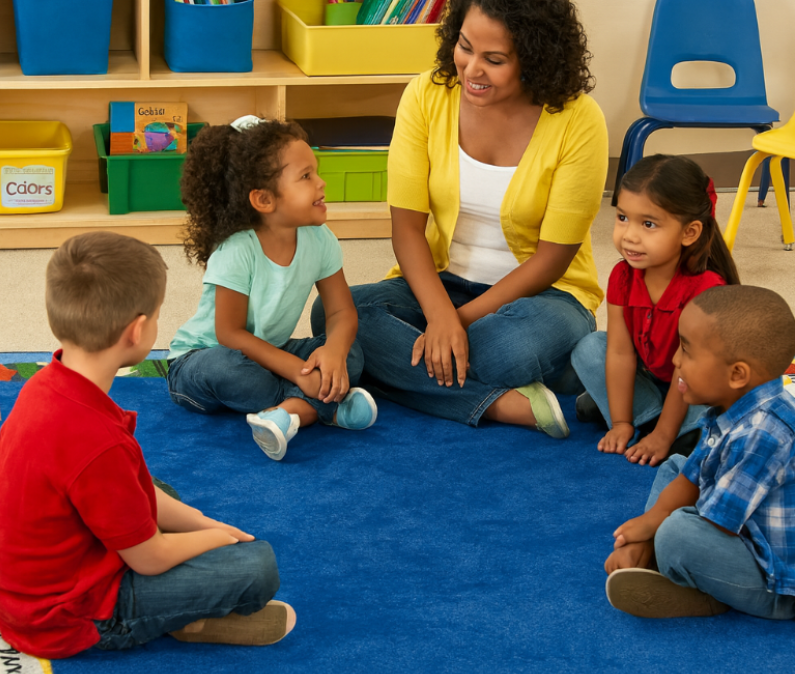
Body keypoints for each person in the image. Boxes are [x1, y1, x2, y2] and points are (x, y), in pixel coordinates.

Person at [312, 0, 608, 436]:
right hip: (440, 283)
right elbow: (407, 229)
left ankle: (415, 371)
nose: (472, 70)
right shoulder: (427, 95)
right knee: (333, 315)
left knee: (499, 350)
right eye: (465, 47)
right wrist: (439, 315)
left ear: (536, 57)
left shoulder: (579, 120)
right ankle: (499, 403)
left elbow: (552, 259)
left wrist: (458, 322)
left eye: (494, 60)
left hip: (547, 297)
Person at [0, 232, 295, 659]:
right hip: (66, 618)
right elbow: (150, 559)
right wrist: (216, 537)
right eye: (156, 316)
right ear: (137, 332)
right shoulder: (98, 444)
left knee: (157, 494)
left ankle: (180, 600)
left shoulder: (44, 384)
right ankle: (181, 617)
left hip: (23, 591)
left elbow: (128, 489)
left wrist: (197, 519)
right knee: (256, 566)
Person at [167, 116, 377, 461]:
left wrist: (335, 352)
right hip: (202, 359)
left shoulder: (320, 239)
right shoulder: (237, 249)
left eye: (316, 172)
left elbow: (341, 311)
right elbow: (229, 333)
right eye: (306, 177)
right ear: (264, 200)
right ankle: (325, 406)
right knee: (235, 374)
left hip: (270, 350)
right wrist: (298, 371)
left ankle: (289, 415)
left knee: (351, 353)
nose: (321, 183)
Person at [604, 285, 795, 620]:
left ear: (737, 374)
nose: (676, 360)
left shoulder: (766, 432)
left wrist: (656, 527)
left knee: (677, 534)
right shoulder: (731, 408)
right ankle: (655, 555)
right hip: (746, 535)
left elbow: (716, 522)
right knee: (673, 468)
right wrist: (649, 526)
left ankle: (706, 594)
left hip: (776, 584)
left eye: (687, 352)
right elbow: (691, 474)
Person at [571, 155, 741, 466]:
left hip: (694, 381)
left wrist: (663, 436)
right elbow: (620, 352)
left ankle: (662, 426)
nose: (630, 235)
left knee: (723, 401)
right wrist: (621, 422)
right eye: (623, 218)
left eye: (648, 224)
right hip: (651, 373)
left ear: (689, 233)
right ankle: (646, 417)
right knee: (589, 349)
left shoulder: (706, 288)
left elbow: (686, 369)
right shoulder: (622, 276)